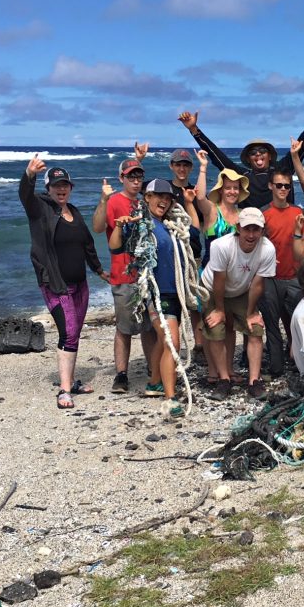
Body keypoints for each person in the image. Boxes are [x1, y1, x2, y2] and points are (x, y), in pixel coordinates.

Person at [20, 156, 109, 409]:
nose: (61, 189)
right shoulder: (39, 209)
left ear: (70, 187)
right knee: (68, 333)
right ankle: (64, 390)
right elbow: (25, 194)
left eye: (65, 185)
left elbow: (87, 245)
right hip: (56, 285)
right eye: (56, 185)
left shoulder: (75, 212)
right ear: (47, 188)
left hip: (80, 285)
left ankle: (71, 381)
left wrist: (100, 271)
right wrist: (29, 174)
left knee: (74, 333)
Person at [107, 179, 199, 419]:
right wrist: (119, 226)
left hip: (175, 292)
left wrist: (188, 205)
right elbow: (115, 248)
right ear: (147, 197)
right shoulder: (142, 224)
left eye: (168, 198)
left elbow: (195, 237)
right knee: (171, 341)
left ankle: (155, 382)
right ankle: (170, 398)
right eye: (158, 196)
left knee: (163, 339)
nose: (164, 201)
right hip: (156, 294)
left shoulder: (169, 224)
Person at [177, 102, 304, 208]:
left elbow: (303, 144)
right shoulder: (241, 176)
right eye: (253, 152)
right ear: (248, 158)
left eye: (262, 151)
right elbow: (216, 155)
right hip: (252, 234)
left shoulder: (282, 170)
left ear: (270, 155)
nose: (258, 154)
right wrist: (194, 130)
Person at [92, 157, 156, 394]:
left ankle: (153, 368)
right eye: (131, 177)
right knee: (124, 327)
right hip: (123, 276)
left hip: (147, 275)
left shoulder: (144, 203)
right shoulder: (114, 201)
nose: (136, 181)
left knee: (150, 327)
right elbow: (98, 228)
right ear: (122, 179)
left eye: (139, 177)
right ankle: (121, 374)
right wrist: (103, 200)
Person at [200, 208, 276, 401]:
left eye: (256, 229)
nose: (251, 234)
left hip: (242, 289)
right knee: (216, 329)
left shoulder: (267, 249)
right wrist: (219, 309)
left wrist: (251, 312)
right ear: (238, 228)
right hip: (213, 288)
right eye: (247, 229)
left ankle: (254, 381)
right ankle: (224, 379)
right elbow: (219, 280)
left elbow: (258, 283)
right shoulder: (221, 246)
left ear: (262, 230)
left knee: (255, 329)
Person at [194, 161, 250, 383]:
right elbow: (199, 197)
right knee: (211, 325)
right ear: (221, 190)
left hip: (234, 279)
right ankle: (212, 371)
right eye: (228, 187)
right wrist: (203, 167)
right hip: (209, 277)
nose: (232, 191)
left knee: (229, 326)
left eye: (236, 188)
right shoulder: (212, 211)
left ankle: (228, 368)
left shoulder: (242, 215)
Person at [260, 168, 304, 378]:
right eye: (279, 185)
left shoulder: (298, 213)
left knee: (296, 324)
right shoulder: (263, 215)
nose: (283, 189)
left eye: (287, 186)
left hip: (295, 278)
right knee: (272, 325)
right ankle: (276, 368)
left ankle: (300, 361)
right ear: (271, 186)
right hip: (270, 278)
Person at [166, 148, 206, 354]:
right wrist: (138, 160)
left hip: (193, 254)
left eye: (185, 165)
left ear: (190, 168)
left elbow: (197, 225)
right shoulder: (164, 191)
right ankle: (176, 345)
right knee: (175, 302)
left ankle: (199, 345)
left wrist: (203, 167)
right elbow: (138, 189)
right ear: (171, 166)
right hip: (171, 255)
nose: (181, 168)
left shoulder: (194, 191)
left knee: (195, 303)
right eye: (178, 164)